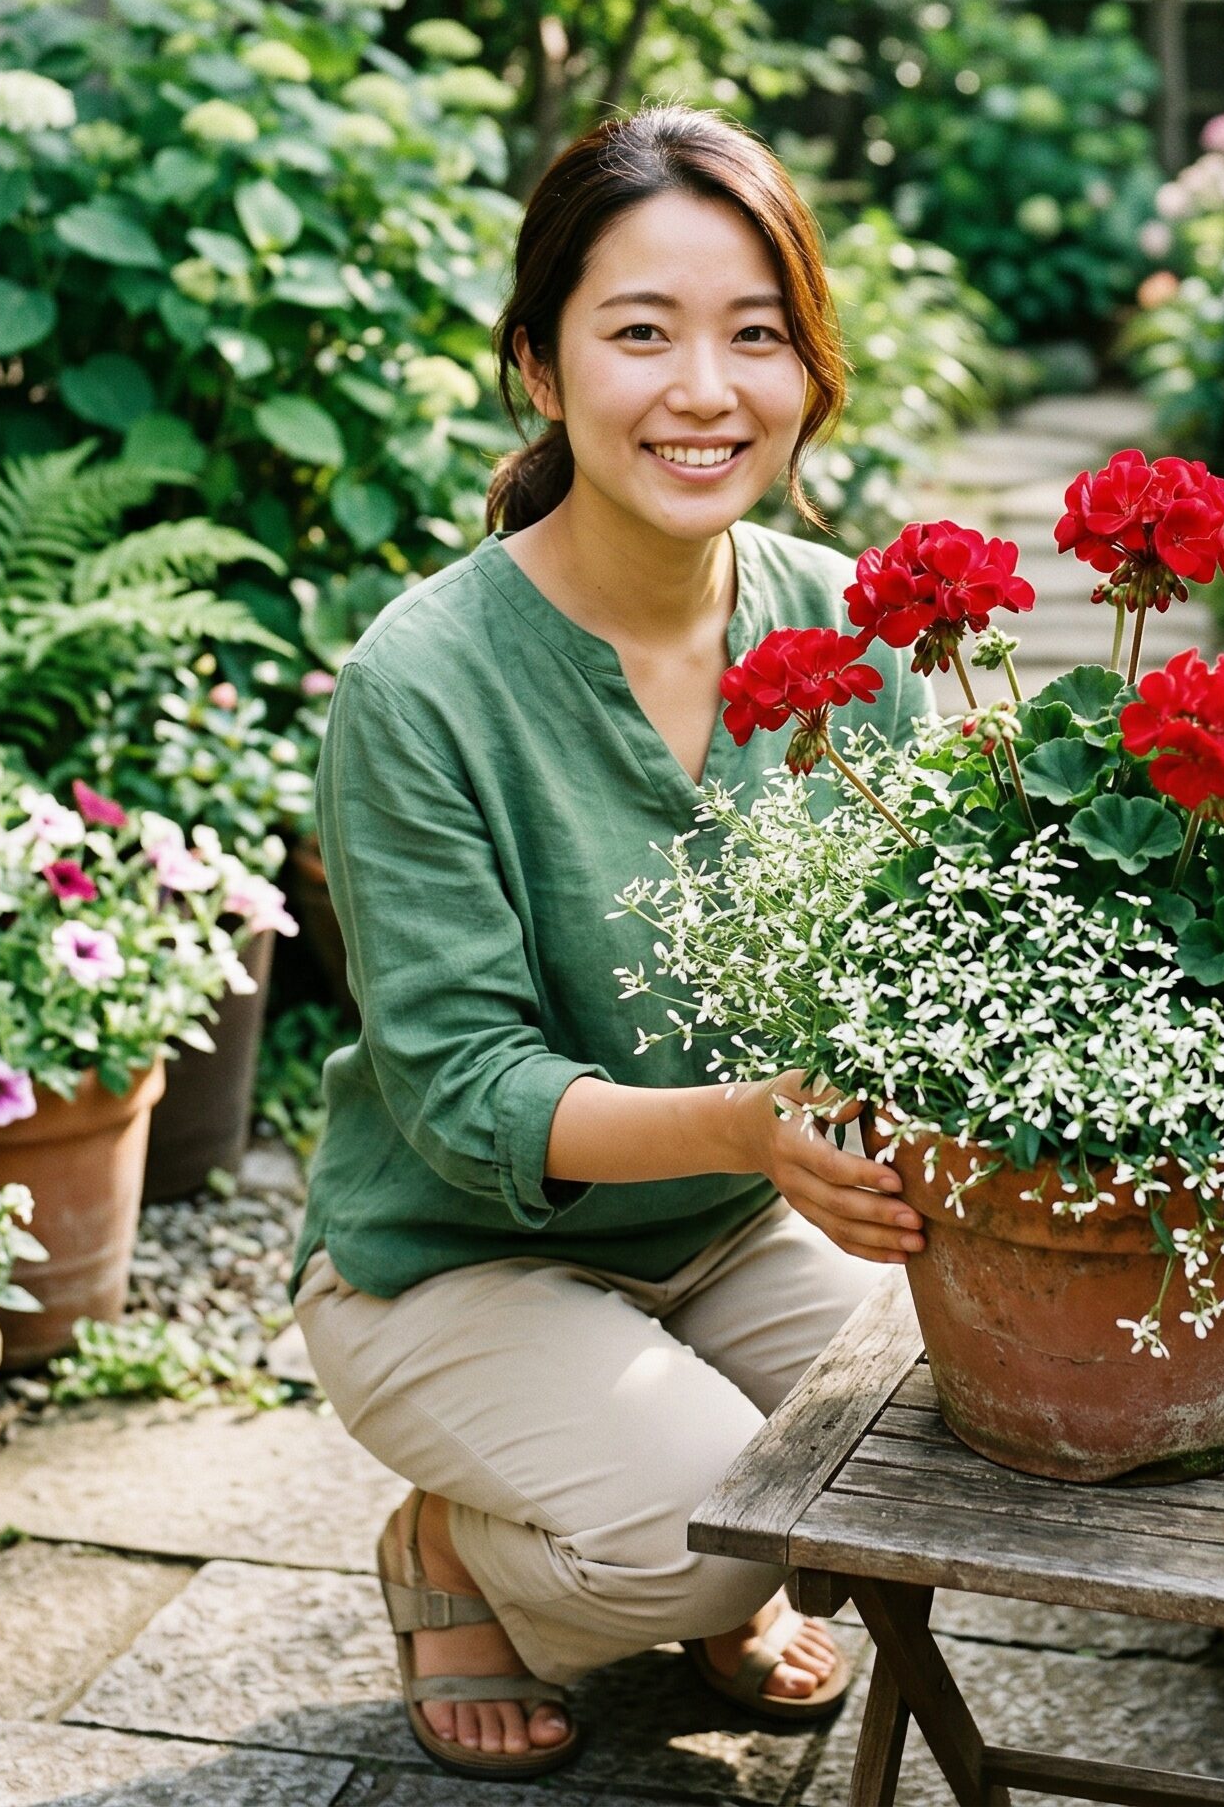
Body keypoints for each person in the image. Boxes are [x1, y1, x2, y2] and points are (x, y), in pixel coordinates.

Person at [288, 104, 930, 1781]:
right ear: (541, 363)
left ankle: (682, 1518)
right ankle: (452, 1558)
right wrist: (744, 1124)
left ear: (812, 368)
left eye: (756, 335)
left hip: (737, 1229)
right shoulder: (423, 681)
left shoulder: (856, 627)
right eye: (639, 333)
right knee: (716, 1534)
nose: (704, 390)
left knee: (952, 1465)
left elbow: (929, 947)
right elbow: (461, 1084)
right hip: (459, 1258)